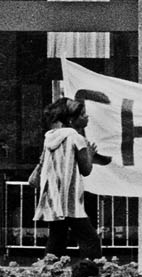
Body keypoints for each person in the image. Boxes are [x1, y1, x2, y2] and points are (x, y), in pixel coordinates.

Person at [33, 98, 97, 261]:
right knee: (90, 241)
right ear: (71, 120)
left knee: (57, 238)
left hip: (53, 197)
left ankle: (49, 275)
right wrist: (90, 153)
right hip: (71, 199)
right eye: (82, 114)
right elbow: (86, 169)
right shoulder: (77, 138)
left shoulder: (50, 137)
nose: (86, 117)